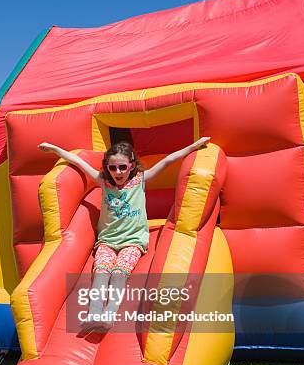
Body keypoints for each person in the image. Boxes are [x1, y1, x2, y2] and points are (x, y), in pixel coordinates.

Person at [38, 137, 210, 332]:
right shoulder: (103, 181)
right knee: (102, 271)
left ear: (132, 165)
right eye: (112, 168)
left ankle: (109, 314)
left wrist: (194, 146)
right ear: (107, 168)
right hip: (107, 240)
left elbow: (168, 160)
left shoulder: (139, 180)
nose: (117, 172)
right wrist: (54, 148)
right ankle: (95, 312)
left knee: (119, 273)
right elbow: (78, 162)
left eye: (122, 167)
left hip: (133, 241)